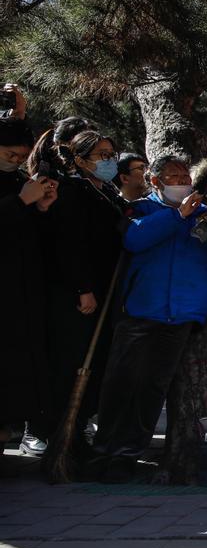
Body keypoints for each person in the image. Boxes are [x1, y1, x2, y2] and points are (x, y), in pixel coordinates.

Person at [90, 155, 207, 483]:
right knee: (120, 384)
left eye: (184, 175)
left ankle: (128, 456)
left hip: (183, 315)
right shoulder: (142, 209)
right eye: (172, 176)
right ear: (155, 181)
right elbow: (134, 239)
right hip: (141, 310)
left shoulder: (204, 212)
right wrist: (177, 216)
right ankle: (103, 453)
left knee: (152, 389)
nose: (181, 181)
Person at [32, 128, 128, 458]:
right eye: (101, 155)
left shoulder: (109, 193)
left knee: (95, 364)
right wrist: (83, 289)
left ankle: (81, 428)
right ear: (79, 159)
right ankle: (63, 438)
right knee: (73, 365)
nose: (109, 161)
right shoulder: (73, 192)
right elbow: (69, 246)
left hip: (105, 291)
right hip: (78, 297)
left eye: (111, 154)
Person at [0, 116, 57, 455]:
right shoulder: (18, 190)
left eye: (21, 156)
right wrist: (20, 202)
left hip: (22, 297)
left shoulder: (20, 181)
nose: (15, 161)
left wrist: (42, 208)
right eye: (9, 154)